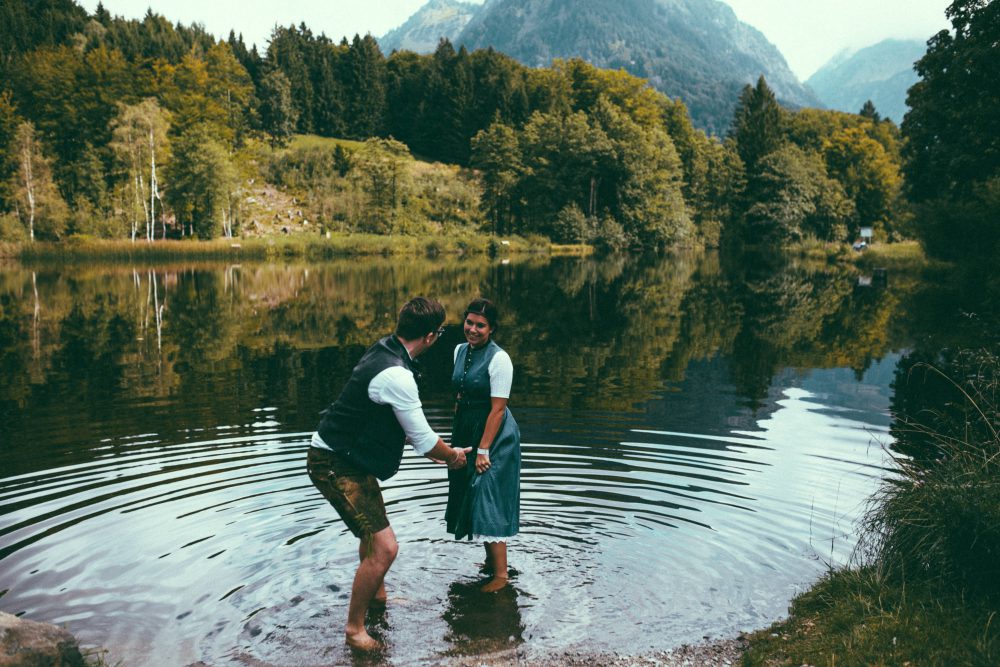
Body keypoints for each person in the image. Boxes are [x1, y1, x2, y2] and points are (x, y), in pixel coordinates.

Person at [306, 296, 471, 652]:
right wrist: (454, 458)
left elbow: (414, 437)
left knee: (371, 534)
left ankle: (377, 601)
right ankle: (354, 630)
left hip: (348, 459)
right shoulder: (397, 374)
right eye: (439, 332)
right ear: (430, 336)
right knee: (385, 547)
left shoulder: (387, 349)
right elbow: (425, 440)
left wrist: (431, 452)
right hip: (334, 463)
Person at [445, 298, 521, 593]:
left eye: (480, 325)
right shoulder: (458, 351)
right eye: (469, 322)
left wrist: (484, 449)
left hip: (495, 436)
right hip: (467, 429)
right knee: (470, 492)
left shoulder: (499, 359)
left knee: (487, 494)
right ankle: (491, 564)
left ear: (492, 329)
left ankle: (501, 576)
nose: (473, 329)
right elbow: (460, 396)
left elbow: (498, 409)